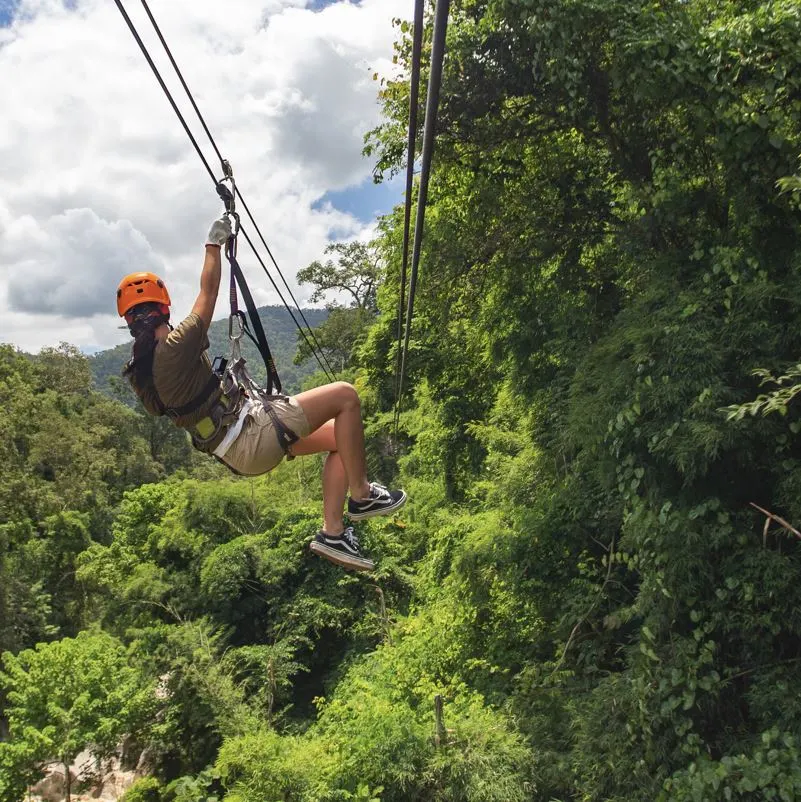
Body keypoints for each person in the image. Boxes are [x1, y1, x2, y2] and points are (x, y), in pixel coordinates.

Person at [116, 216, 406, 572]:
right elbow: (207, 295)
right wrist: (213, 244)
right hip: (250, 434)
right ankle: (361, 496)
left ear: (129, 322)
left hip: (237, 448)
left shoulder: (141, 371)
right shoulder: (174, 347)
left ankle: (334, 532)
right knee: (345, 396)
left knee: (339, 443)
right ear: (164, 308)